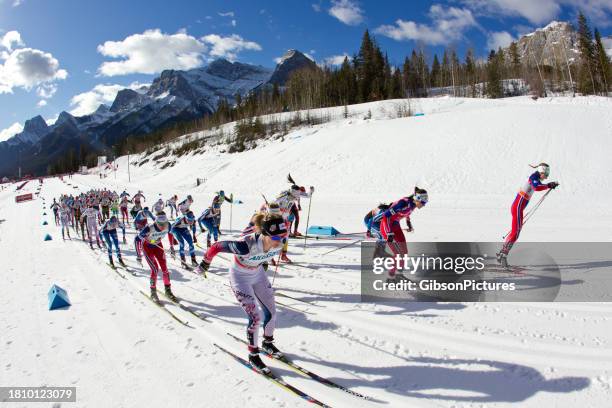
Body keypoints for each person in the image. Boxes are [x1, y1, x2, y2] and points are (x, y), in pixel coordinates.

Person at [198, 212, 288, 373]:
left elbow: (266, 253)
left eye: (283, 236)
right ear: (265, 234)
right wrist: (205, 263)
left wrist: (263, 262)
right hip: (239, 277)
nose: (280, 241)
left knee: (272, 313)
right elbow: (216, 246)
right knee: (255, 317)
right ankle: (253, 355)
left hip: (258, 275)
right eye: (276, 238)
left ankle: (267, 343)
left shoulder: (279, 241)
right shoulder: (245, 245)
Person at [497, 163, 559, 267]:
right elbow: (537, 187)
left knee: (515, 232)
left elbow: (538, 186)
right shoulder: (533, 177)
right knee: (515, 233)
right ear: (541, 171)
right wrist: (549, 185)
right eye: (546, 173)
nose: (547, 176)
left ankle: (502, 254)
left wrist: (549, 185)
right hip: (517, 208)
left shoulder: (536, 178)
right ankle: (503, 255)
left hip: (518, 208)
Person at [372, 187, 428, 279]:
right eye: (423, 202)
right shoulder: (403, 203)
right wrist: (389, 232)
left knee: (404, 252)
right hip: (387, 226)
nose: (424, 205)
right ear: (417, 199)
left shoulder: (413, 204)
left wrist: (409, 224)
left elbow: (408, 213)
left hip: (396, 225)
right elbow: (386, 216)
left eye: (425, 203)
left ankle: (399, 275)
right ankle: (391, 277)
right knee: (398, 254)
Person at [135, 212, 176, 301]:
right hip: (147, 247)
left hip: (158, 246)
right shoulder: (149, 228)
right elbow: (136, 239)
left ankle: (168, 290)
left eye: (164, 224)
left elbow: (170, 234)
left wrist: (172, 247)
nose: (163, 227)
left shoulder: (168, 225)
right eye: (161, 224)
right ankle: (153, 291)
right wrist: (138, 256)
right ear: (156, 222)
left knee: (165, 269)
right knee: (155, 269)